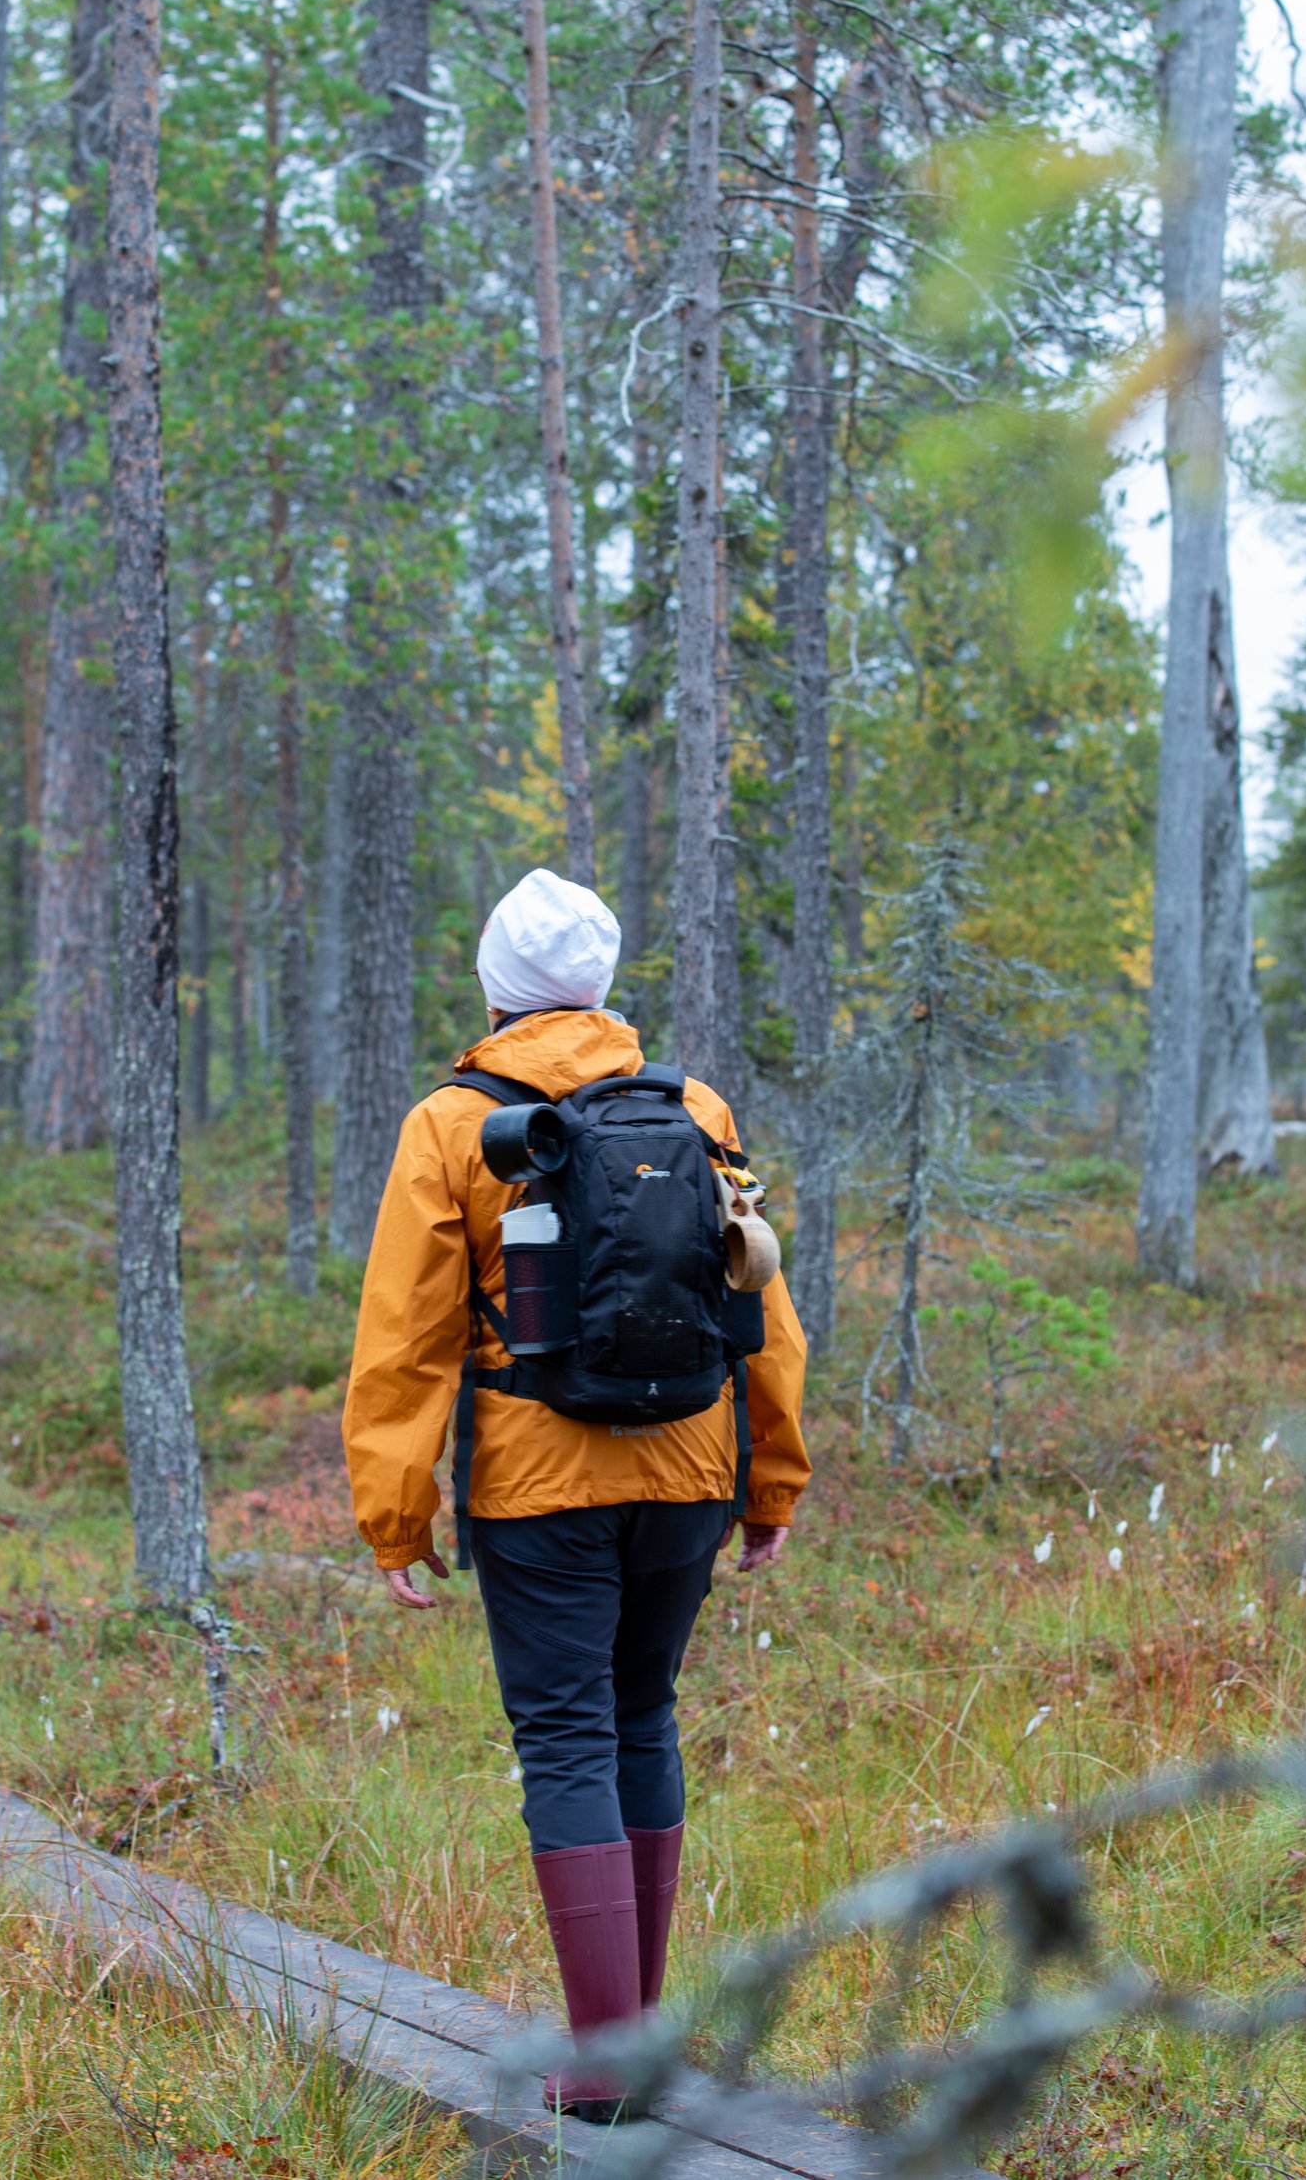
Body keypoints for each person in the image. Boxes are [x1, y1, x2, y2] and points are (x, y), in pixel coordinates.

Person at [343, 867, 810, 2122]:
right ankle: (634, 2038)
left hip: (538, 1482)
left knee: (563, 1735)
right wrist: (770, 1479)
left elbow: (406, 1335)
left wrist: (395, 1513)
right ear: (600, 986)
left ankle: (608, 2059)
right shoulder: (695, 1107)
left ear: (496, 988)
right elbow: (761, 1302)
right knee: (642, 1716)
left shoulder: (452, 1121)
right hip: (691, 1464)